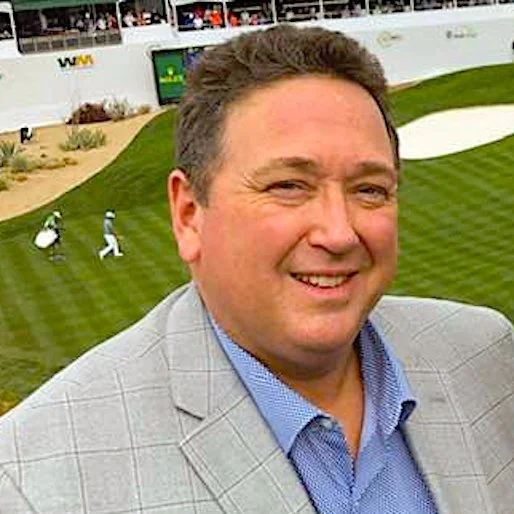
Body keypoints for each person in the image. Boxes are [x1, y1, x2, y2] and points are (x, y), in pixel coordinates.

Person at [0, 25, 512, 513]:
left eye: (369, 189)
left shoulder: (485, 353)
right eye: (288, 186)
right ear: (189, 214)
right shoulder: (32, 478)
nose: (338, 233)